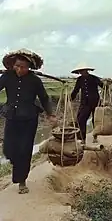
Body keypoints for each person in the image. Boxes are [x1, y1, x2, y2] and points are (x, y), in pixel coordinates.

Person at [0, 49, 57, 194]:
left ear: (29, 67)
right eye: (17, 66)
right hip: (12, 117)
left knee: (25, 150)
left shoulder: (35, 80)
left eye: (23, 67)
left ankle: (22, 181)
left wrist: (50, 114)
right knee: (9, 148)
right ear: (13, 64)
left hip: (29, 119)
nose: (19, 69)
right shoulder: (7, 76)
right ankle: (14, 161)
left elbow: (44, 98)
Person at [71, 66, 105, 144]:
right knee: (81, 120)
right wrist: (70, 98)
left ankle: (95, 136)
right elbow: (76, 90)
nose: (81, 72)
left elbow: (103, 86)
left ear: (87, 70)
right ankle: (82, 138)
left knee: (95, 120)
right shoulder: (79, 80)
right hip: (84, 103)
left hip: (95, 102)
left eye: (83, 71)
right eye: (80, 71)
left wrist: (106, 83)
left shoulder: (94, 78)